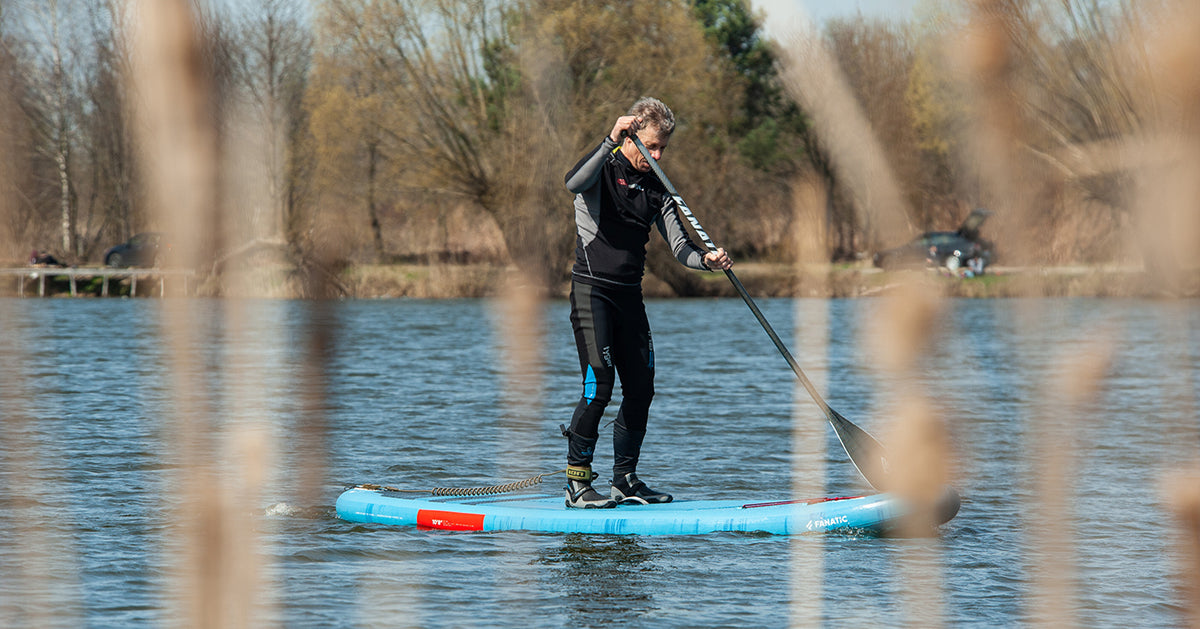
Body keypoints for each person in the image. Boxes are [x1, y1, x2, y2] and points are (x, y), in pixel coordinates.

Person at [560, 97, 732, 509]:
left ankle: (625, 480)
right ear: (630, 137)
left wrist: (707, 262)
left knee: (641, 388)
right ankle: (577, 483)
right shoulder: (602, 170)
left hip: (629, 298)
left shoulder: (659, 189)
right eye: (650, 146)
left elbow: (681, 248)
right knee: (598, 387)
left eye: (663, 149)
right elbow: (571, 182)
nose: (655, 156)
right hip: (592, 293)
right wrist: (609, 140)